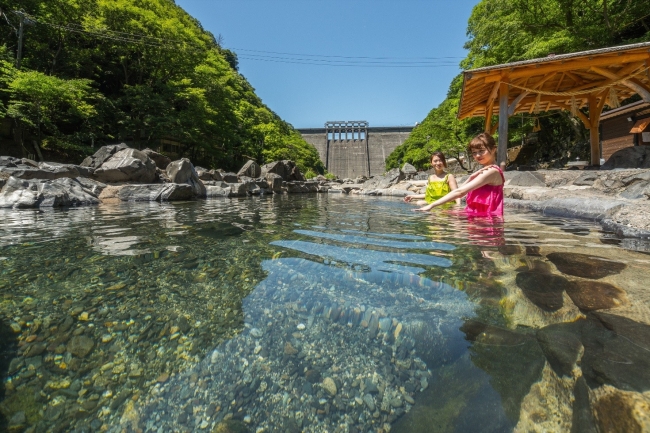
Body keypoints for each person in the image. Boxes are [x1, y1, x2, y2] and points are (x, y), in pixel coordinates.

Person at [415, 132, 504, 216]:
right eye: (474, 152)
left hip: (487, 223)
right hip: (479, 219)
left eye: (481, 151)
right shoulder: (487, 170)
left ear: (493, 149)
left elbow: (460, 192)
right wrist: (470, 178)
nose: (477, 155)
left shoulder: (492, 171)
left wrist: (431, 205)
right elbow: (460, 191)